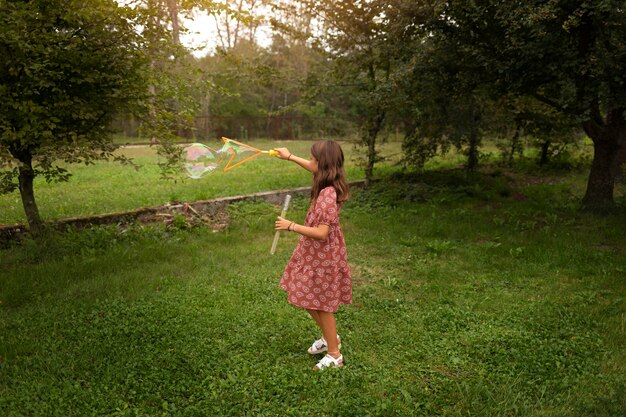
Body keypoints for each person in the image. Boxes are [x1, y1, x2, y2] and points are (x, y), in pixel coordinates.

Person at [274, 140, 352, 371]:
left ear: (322, 163)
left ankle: (334, 354)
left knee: (322, 304)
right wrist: (289, 157)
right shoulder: (329, 179)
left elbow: (321, 232)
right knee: (307, 298)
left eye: (312, 159)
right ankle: (331, 338)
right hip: (314, 254)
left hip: (323, 256)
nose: (309, 163)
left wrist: (291, 226)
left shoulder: (328, 194)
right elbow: (313, 167)